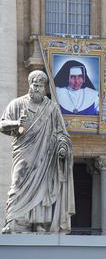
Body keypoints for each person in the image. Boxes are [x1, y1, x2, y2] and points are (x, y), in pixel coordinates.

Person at [0, 70, 74, 233]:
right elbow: (2, 125)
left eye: (41, 86)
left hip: (45, 156)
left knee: (43, 187)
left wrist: (62, 146)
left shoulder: (52, 108)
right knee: (17, 184)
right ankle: (14, 221)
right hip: (24, 153)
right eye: (35, 85)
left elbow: (61, 132)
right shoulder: (17, 104)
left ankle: (40, 222)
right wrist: (16, 123)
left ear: (45, 87)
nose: (38, 88)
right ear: (29, 85)